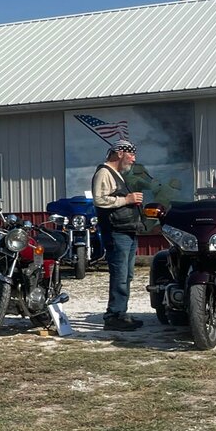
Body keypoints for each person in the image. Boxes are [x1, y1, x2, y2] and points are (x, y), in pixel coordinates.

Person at [91, 139, 145, 331]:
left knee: (127, 275)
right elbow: (99, 200)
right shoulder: (104, 172)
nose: (134, 158)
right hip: (116, 232)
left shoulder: (116, 175)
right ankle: (114, 316)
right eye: (131, 154)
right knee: (120, 275)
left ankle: (121, 313)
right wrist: (127, 199)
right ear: (119, 153)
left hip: (127, 231)